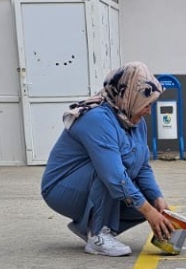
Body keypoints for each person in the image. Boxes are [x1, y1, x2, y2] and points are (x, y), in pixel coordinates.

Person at [41, 62, 175, 257]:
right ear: (129, 97)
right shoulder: (97, 118)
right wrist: (148, 212)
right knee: (112, 175)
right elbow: (112, 175)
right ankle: (97, 235)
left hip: (95, 182)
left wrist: (157, 200)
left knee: (148, 203)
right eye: (146, 104)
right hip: (61, 189)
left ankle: (94, 228)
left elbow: (142, 166)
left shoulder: (134, 121)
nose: (149, 111)